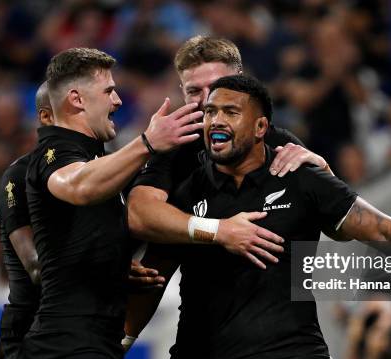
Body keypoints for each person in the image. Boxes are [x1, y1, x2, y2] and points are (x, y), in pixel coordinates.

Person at [133, 75, 391, 359]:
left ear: (261, 128)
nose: (215, 121)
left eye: (230, 111)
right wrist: (120, 341)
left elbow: (383, 229)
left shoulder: (299, 178)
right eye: (210, 112)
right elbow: (152, 276)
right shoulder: (187, 197)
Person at [23, 47, 201, 359]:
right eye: (108, 91)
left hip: (100, 346)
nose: (118, 101)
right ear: (76, 99)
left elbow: (76, 235)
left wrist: (116, 267)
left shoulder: (98, 160)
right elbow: (78, 186)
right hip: (68, 343)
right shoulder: (52, 154)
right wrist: (148, 143)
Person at [128, 36, 331, 269]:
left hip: (274, 284)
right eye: (194, 91)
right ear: (182, 91)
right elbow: (138, 214)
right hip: (199, 285)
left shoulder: (277, 141)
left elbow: (335, 223)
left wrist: (323, 170)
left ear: (240, 80)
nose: (206, 101)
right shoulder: (173, 147)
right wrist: (218, 231)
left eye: (218, 85)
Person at [0, 82, 52, 359]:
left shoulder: (101, 174)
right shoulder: (17, 178)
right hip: (29, 330)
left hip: (85, 330)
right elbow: (35, 266)